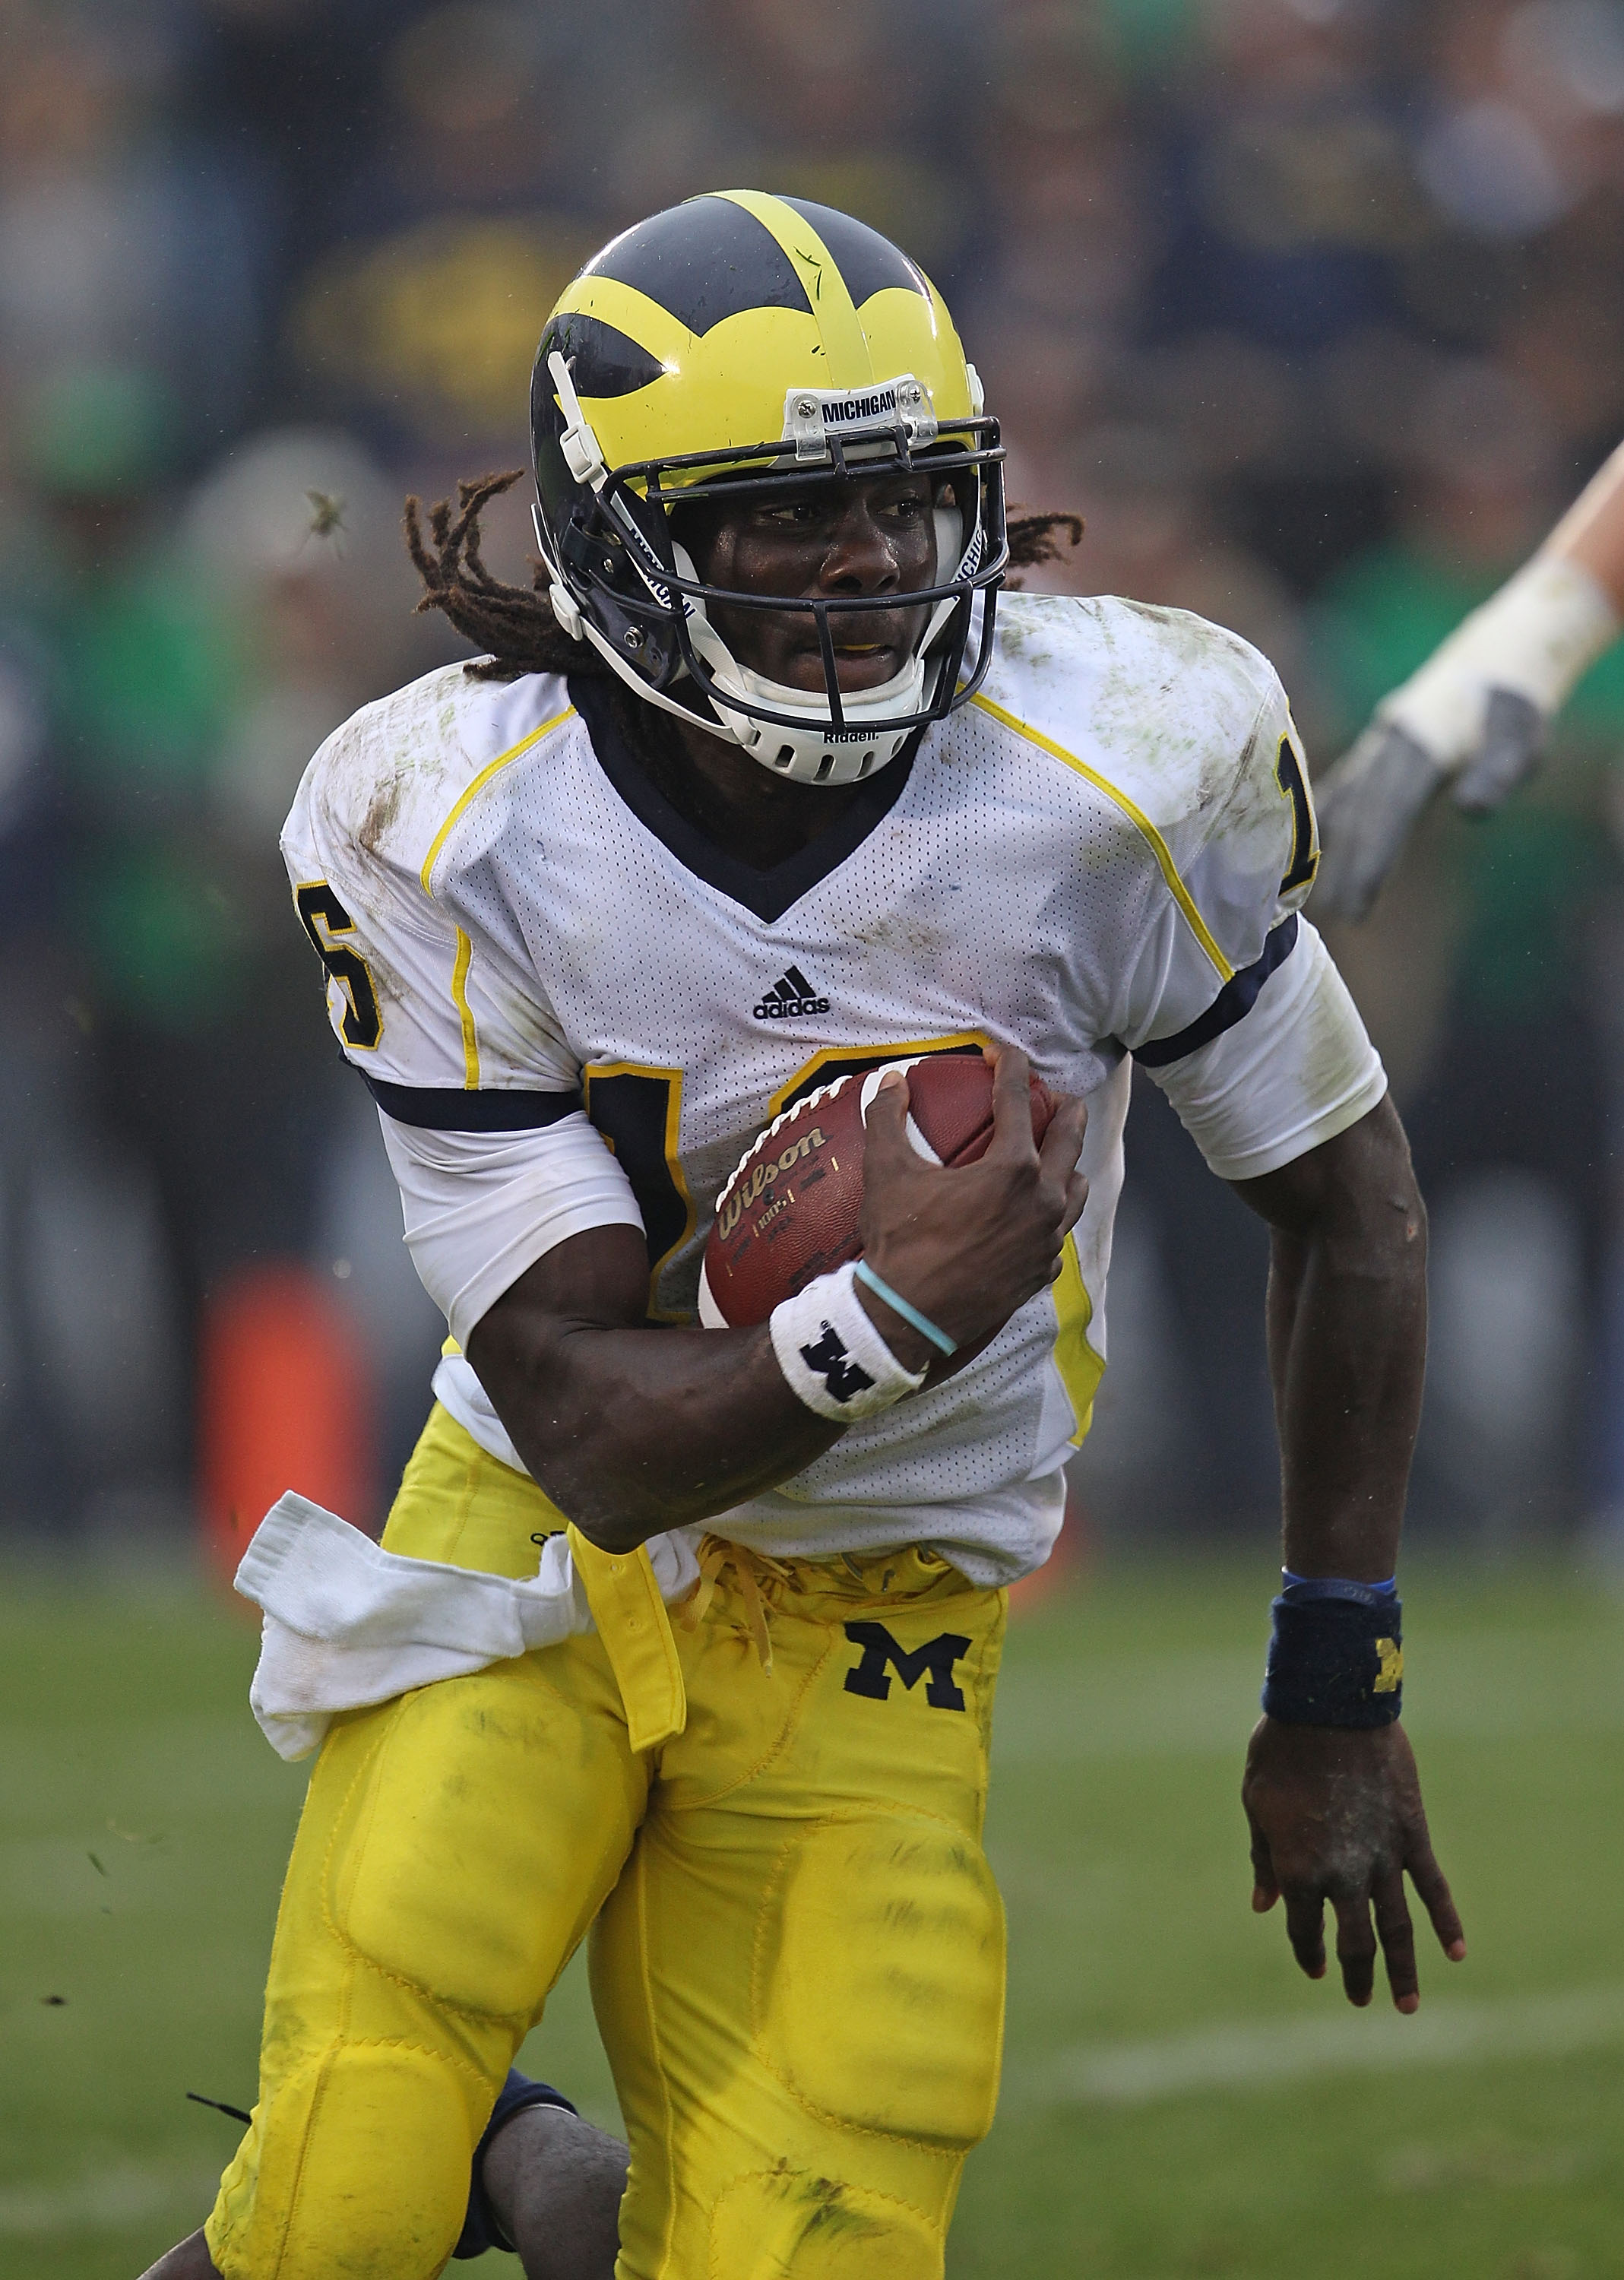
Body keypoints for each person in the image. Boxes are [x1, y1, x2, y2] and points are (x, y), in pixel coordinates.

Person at [144, 191, 1461, 2280]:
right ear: (615, 546)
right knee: (339, 2200)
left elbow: (1351, 1205)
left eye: (900, 504)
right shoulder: (445, 813)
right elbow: (581, 1417)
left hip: (889, 1594)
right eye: (781, 518)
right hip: (544, 1538)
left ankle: (558, 2189)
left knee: (810, 2248)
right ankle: (489, 2167)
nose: (861, 568)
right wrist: (892, 1315)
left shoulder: (1117, 772)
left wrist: (1335, 1676)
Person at [1312, 435, 1624, 920]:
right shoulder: (1381, 596)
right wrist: (1549, 621)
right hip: (1437, 895)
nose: (1486, 512)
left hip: (1579, 891)